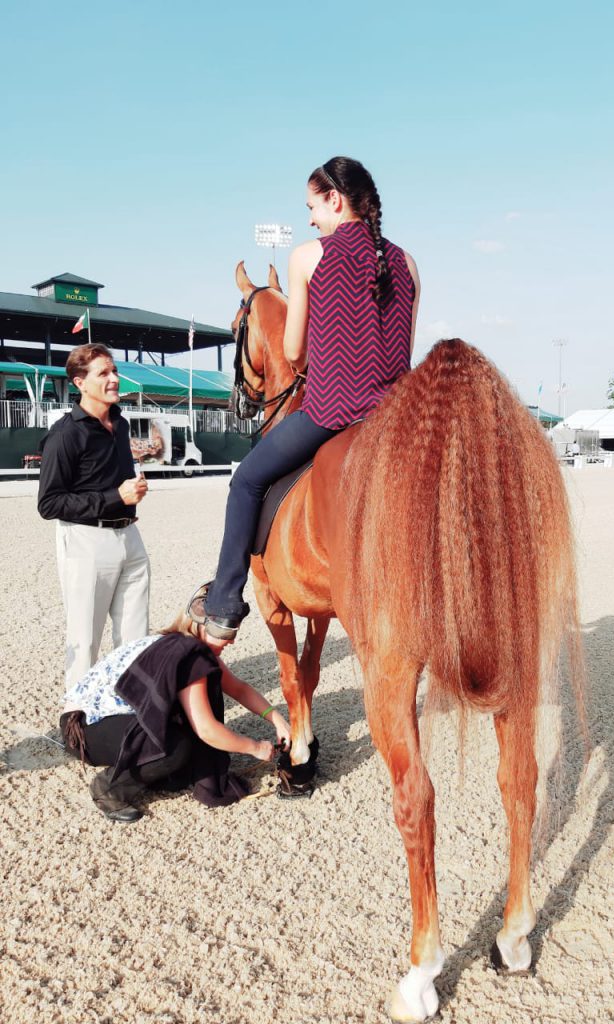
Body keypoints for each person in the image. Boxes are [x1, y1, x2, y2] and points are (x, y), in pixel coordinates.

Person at [192, 156, 420, 637]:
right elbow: (402, 352)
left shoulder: (308, 256)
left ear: (335, 199)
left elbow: (294, 350)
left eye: (312, 206)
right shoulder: (408, 264)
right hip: (394, 419)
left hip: (332, 411)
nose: (311, 218)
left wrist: (314, 364)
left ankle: (224, 602)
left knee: (247, 482)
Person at [59, 610, 291, 822]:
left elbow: (238, 689)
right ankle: (108, 788)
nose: (232, 640)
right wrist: (255, 747)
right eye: (226, 631)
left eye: (235, 631)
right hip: (82, 729)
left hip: (103, 721)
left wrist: (277, 720)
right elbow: (206, 729)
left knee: (182, 745)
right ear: (202, 624)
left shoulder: (188, 646)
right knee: (173, 749)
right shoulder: (190, 657)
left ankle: (150, 771)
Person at [38, 344, 150, 687]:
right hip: (86, 542)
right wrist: (115, 496)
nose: (114, 379)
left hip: (130, 538)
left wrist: (131, 492)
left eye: (114, 371)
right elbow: (50, 503)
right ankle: (77, 725)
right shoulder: (65, 434)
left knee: (135, 639)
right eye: (104, 373)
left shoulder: (121, 424)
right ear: (79, 383)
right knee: (84, 641)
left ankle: (127, 716)